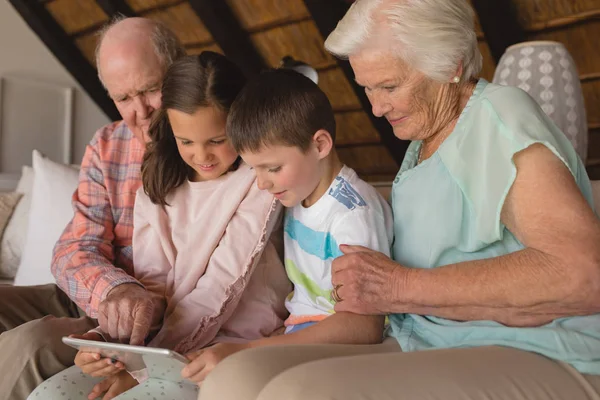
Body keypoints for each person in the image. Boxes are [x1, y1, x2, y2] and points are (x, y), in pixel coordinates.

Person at [198, 1, 600, 399]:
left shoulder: (499, 117)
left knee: (299, 393)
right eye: (368, 88)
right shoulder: (425, 139)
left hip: (536, 349)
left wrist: (401, 285)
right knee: (233, 378)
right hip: (423, 339)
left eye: (389, 86)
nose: (375, 106)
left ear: (452, 64)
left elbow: (582, 273)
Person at [27, 52, 291, 400]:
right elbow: (152, 285)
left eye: (216, 140)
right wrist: (107, 346)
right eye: (186, 142)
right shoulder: (158, 175)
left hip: (223, 345)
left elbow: (218, 289)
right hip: (159, 348)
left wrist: (139, 370)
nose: (202, 156)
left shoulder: (257, 181)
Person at [0, 17, 185, 400]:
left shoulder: (214, 148)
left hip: (151, 311)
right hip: (100, 291)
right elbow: (73, 248)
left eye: (151, 90)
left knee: (31, 342)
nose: (141, 111)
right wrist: (114, 288)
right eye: (123, 98)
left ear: (179, 72)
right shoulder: (108, 144)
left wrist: (132, 302)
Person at [177, 68, 394, 383]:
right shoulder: (299, 193)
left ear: (320, 145)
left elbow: (364, 327)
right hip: (300, 332)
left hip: (343, 347)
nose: (262, 183)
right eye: (255, 169)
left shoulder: (352, 214)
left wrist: (251, 349)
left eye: (273, 168)